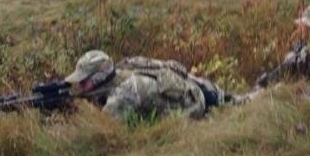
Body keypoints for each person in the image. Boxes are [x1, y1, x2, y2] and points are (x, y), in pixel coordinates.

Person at [64, 50, 234, 122]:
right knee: (228, 100)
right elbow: (176, 68)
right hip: (194, 87)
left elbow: (105, 131)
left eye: (84, 81)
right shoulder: (126, 67)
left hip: (192, 107)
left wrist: (74, 110)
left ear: (99, 77)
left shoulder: (122, 95)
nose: (81, 85)